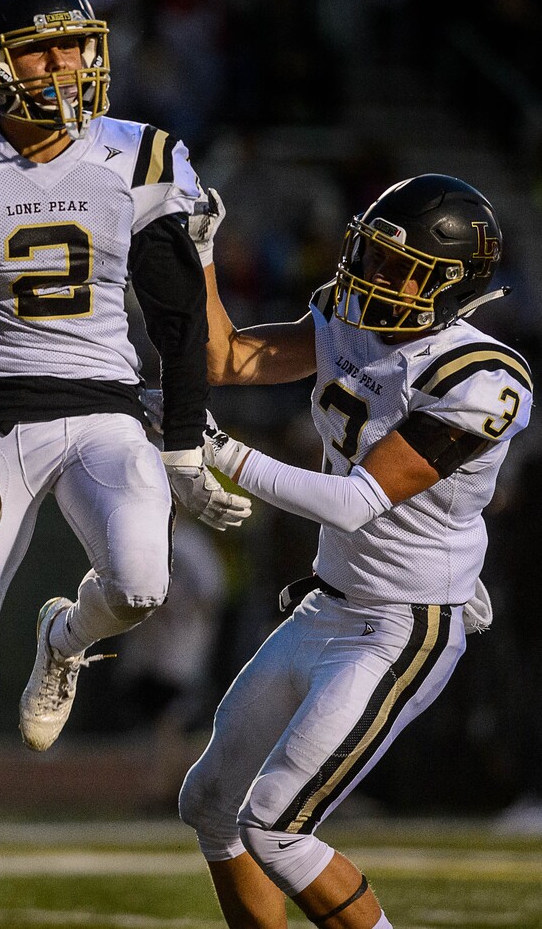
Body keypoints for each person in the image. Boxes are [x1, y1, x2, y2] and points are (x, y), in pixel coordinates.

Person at [0, 0, 250, 929]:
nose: (68, 65)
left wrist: (180, 448)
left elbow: (174, 319)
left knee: (141, 586)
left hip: (103, 409)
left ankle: (64, 637)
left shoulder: (141, 154)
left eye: (77, 44)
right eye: (41, 49)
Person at [178, 174, 533, 929]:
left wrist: (217, 452)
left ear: (452, 284)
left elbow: (355, 500)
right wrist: (201, 255)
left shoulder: (484, 377)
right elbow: (228, 360)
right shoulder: (348, 314)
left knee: (274, 826)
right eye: (372, 257)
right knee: (209, 802)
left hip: (402, 625)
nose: (376, 278)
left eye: (402, 269)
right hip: (327, 604)